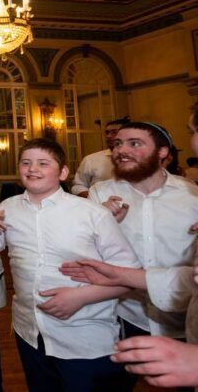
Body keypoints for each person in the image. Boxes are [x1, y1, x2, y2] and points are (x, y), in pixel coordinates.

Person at [0, 138, 140, 391]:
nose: (32, 169)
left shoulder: (92, 213)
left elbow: (132, 277)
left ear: (63, 172)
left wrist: (80, 297)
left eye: (43, 163)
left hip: (83, 335)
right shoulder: (8, 208)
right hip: (30, 332)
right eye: (26, 162)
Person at [59, 113, 198, 388]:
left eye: (134, 143)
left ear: (163, 152)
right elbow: (79, 255)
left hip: (183, 320)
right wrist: (100, 221)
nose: (121, 150)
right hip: (125, 316)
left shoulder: (191, 195)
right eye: (118, 144)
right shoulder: (100, 193)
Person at [70, 116, 130, 197]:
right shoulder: (91, 159)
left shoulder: (140, 158)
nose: (108, 136)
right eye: (107, 133)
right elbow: (78, 186)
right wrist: (95, 201)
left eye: (114, 132)